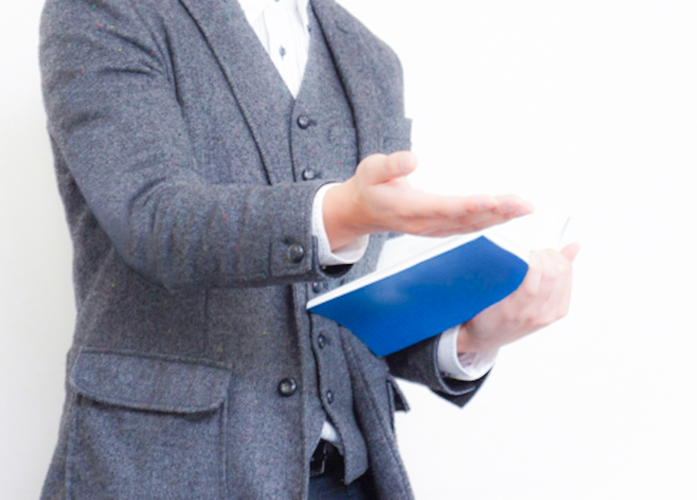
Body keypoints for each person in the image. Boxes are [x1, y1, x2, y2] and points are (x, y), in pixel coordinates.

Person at [38, 0, 578, 498]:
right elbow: (153, 219)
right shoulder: (107, 10)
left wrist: (473, 337)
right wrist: (339, 214)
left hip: (350, 479)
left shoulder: (370, 57)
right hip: (167, 472)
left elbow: (352, 308)